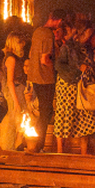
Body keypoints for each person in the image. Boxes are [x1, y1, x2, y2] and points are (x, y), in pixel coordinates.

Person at [51, 21, 95, 153]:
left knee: (84, 116)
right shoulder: (68, 47)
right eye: (88, 33)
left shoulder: (86, 48)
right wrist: (78, 69)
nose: (90, 35)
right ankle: (60, 152)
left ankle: (83, 153)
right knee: (64, 116)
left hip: (81, 85)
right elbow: (59, 65)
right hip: (67, 86)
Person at [28, 10, 64, 151]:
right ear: (58, 20)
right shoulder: (48, 34)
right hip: (45, 78)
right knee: (46, 111)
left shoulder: (37, 31)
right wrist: (57, 65)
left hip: (35, 76)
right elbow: (45, 59)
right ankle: (38, 144)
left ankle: (32, 141)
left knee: (45, 111)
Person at [0, 33, 29, 151]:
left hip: (17, 89)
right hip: (15, 90)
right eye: (20, 42)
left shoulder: (13, 58)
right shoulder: (11, 59)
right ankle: (9, 145)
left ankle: (15, 144)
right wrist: (16, 101)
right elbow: (10, 81)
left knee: (19, 117)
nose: (22, 45)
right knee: (14, 116)